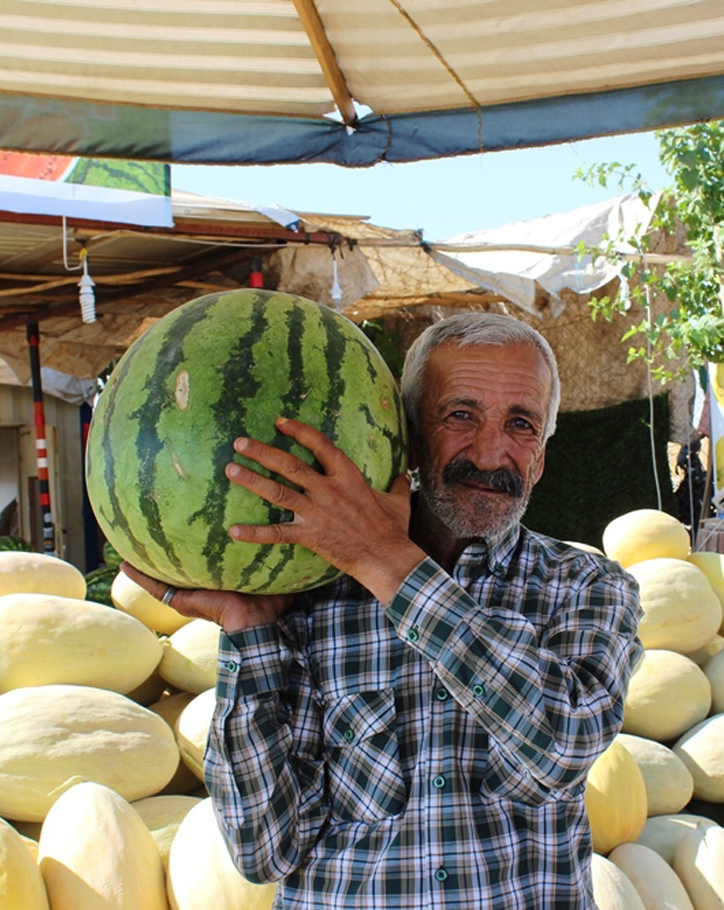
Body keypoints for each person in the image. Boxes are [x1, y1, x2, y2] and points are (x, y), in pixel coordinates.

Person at [123, 312, 643, 908]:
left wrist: (388, 564)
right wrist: (251, 629)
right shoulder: (309, 591)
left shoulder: (586, 587)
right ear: (410, 434)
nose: (490, 451)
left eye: (520, 424)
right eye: (461, 414)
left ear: (542, 457)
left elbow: (562, 745)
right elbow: (263, 849)